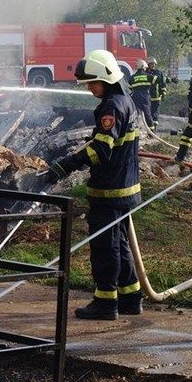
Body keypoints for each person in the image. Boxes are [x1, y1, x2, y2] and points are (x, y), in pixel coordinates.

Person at [47, 50, 143, 320]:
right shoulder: (126, 101)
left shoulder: (111, 106)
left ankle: (105, 302)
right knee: (120, 243)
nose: (89, 89)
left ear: (107, 78)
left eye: (93, 83)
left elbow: (100, 150)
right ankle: (131, 297)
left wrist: (68, 164)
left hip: (110, 191)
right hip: (125, 189)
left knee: (105, 247)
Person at [127, 58, 156, 130]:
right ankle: (151, 131)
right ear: (143, 67)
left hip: (135, 96)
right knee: (148, 114)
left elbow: (129, 88)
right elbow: (157, 81)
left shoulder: (132, 77)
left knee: (134, 114)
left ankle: (134, 130)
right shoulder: (148, 76)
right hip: (145, 97)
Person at [146, 56, 168, 129]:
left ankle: (154, 128)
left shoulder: (159, 72)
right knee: (148, 114)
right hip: (148, 97)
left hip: (157, 97)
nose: (154, 65)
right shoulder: (145, 73)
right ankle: (150, 128)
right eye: (152, 64)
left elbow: (163, 83)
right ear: (148, 64)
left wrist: (164, 93)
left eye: (154, 64)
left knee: (155, 114)